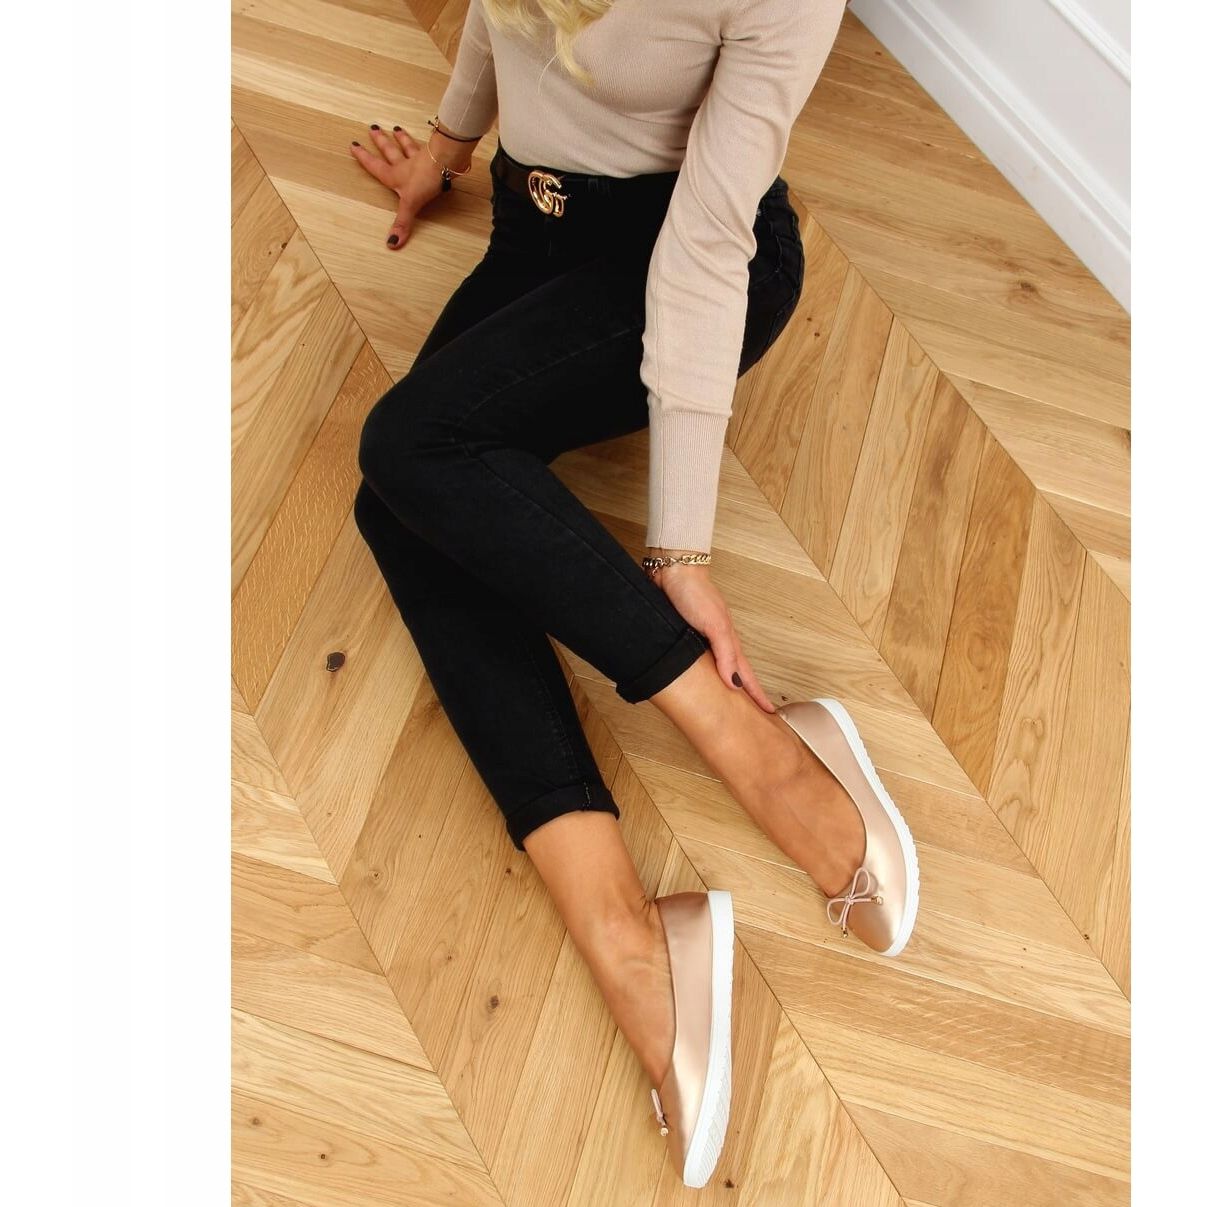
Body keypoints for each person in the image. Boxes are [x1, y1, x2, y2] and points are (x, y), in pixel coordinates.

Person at [348, 0, 918, 1188]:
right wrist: (451, 144)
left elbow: (707, 245)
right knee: (399, 491)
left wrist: (680, 552)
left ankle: (759, 750)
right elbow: (504, 13)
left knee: (411, 452)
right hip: (532, 236)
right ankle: (621, 919)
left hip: (690, 257)